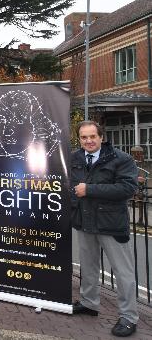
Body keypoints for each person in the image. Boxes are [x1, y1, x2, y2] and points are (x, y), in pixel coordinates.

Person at [71, 120, 138, 337]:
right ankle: (90, 303)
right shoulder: (75, 158)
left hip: (111, 224)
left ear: (101, 137)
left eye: (92, 136)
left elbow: (128, 188)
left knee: (123, 272)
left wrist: (89, 189)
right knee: (88, 267)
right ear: (79, 139)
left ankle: (129, 317)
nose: (88, 141)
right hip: (85, 222)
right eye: (84, 137)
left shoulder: (121, 158)